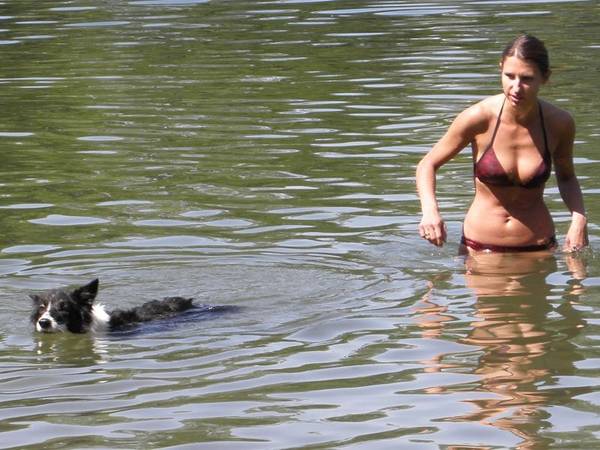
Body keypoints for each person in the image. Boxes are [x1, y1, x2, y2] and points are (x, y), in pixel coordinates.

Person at [416, 34, 588, 253]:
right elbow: (427, 164)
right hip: (479, 251)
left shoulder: (559, 123)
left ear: (545, 78)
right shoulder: (478, 117)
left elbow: (567, 177)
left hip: (539, 250)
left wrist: (579, 218)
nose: (516, 87)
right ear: (500, 69)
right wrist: (430, 211)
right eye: (509, 76)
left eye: (526, 79)